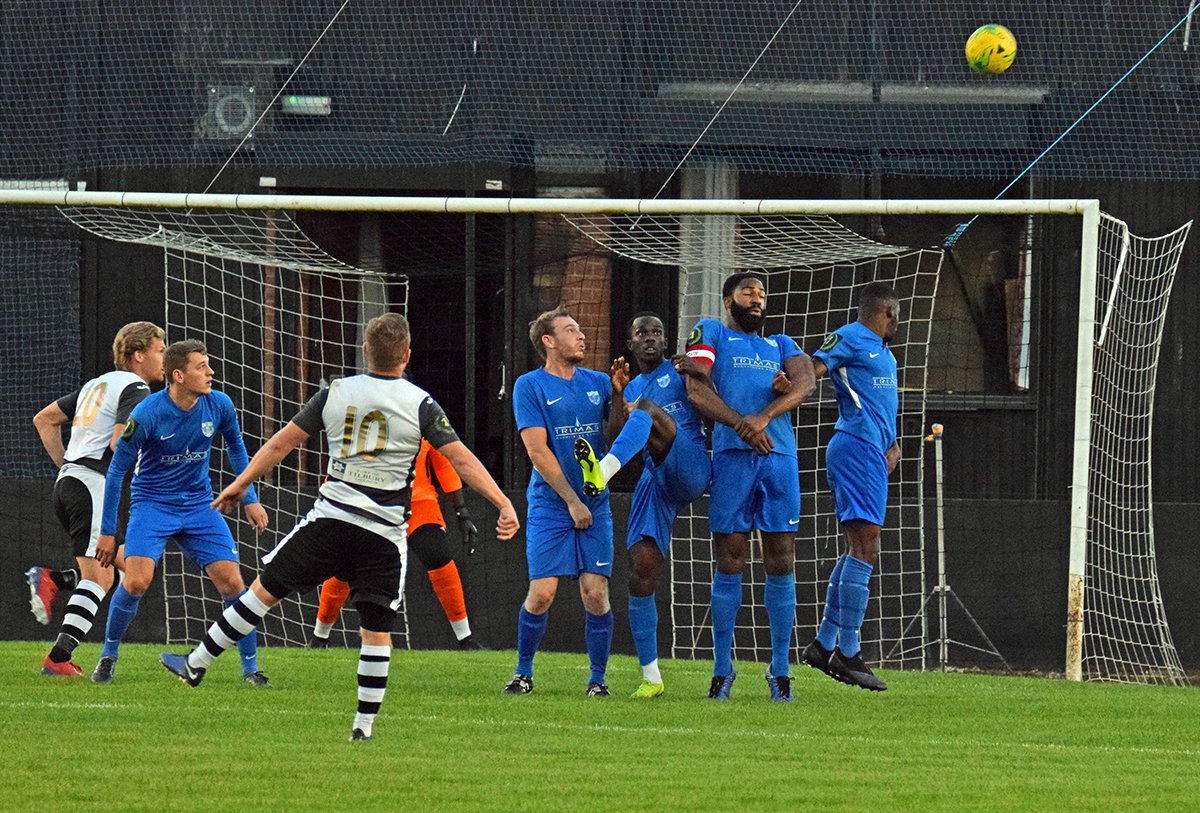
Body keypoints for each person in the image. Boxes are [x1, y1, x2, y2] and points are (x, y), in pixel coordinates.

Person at [160, 314, 518, 742]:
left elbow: (282, 443)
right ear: (406, 355)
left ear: (365, 350)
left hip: (333, 519)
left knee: (264, 591)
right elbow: (460, 458)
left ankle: (196, 663)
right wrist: (502, 502)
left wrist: (240, 484)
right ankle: (363, 727)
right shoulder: (421, 402)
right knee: (376, 630)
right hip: (385, 533)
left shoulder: (336, 391)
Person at [91, 339, 270, 685]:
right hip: (152, 504)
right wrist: (108, 532)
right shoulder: (146, 413)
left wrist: (250, 499)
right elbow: (116, 471)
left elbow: (236, 448)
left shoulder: (219, 404)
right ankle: (108, 655)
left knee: (233, 582)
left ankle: (251, 669)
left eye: (208, 364)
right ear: (177, 375)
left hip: (199, 505)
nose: (210, 372)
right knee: (137, 581)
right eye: (201, 367)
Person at [682, 272, 815, 702]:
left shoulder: (780, 344)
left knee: (781, 558)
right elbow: (695, 384)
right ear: (728, 300)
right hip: (732, 458)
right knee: (730, 558)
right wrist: (742, 424)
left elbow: (807, 382)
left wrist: (764, 416)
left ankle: (779, 670)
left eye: (761, 294)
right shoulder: (713, 331)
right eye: (747, 292)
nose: (757, 299)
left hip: (778, 459)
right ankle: (722, 669)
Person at [573, 312, 711, 698]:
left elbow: (712, 398)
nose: (649, 338)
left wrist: (700, 372)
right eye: (641, 334)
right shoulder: (630, 387)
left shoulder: (680, 372)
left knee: (649, 409)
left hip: (690, 463)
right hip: (654, 476)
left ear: (665, 343)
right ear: (630, 344)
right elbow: (617, 435)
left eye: (656, 332)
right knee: (641, 567)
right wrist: (618, 396)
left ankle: (601, 474)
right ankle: (651, 677)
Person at [27, 321, 165, 676]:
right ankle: (58, 659)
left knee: (130, 569)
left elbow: (45, 420)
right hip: (91, 485)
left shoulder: (97, 383)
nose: (163, 359)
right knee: (101, 579)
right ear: (139, 355)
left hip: (72, 483)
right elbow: (119, 442)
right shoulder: (136, 388)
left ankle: (55, 580)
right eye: (159, 351)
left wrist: (66, 466)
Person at [505, 306, 626, 697]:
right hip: (551, 504)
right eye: (571, 330)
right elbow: (538, 452)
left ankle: (598, 680)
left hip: (597, 502)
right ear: (548, 341)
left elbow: (616, 436)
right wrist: (573, 501)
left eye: (580, 329)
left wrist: (621, 394)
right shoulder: (529, 385)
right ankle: (523, 674)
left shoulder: (597, 382)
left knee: (595, 592)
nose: (582, 336)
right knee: (542, 594)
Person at [801, 281, 900, 693]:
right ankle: (849, 650)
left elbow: (881, 405)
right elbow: (814, 366)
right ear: (888, 312)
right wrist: (787, 384)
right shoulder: (851, 337)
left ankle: (825, 643)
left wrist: (892, 443)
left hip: (874, 451)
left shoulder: (885, 354)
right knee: (865, 545)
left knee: (857, 547)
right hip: (854, 446)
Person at [309, 437, 484, 649]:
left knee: (436, 554)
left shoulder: (424, 413)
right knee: (346, 563)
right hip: (371, 502)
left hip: (418, 502)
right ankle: (319, 637)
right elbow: (344, 461)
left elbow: (444, 463)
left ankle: (465, 639)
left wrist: (462, 512)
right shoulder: (368, 413)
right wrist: (329, 501)